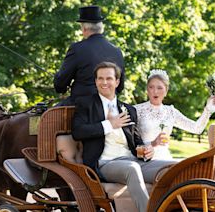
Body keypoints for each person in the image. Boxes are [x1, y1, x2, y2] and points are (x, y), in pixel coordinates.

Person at [72, 62, 176, 212]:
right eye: (100, 79)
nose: (104, 82)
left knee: (173, 167)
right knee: (132, 169)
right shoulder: (86, 104)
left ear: (117, 81)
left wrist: (144, 150)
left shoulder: (129, 109)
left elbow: (137, 141)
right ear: (95, 81)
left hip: (133, 160)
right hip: (104, 163)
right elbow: (78, 131)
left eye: (108, 78)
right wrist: (109, 124)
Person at [134, 69, 215, 160]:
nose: (155, 91)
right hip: (145, 160)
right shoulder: (136, 110)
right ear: (147, 89)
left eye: (159, 88)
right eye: (151, 87)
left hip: (166, 159)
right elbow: (131, 145)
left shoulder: (171, 112)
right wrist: (153, 143)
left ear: (166, 91)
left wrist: (208, 110)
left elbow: (196, 128)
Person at [54, 5, 125, 106]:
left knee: (47, 118)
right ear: (101, 28)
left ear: (84, 29)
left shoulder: (77, 49)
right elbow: (120, 86)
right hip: (110, 104)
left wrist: (59, 82)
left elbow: (60, 84)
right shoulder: (117, 51)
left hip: (82, 105)